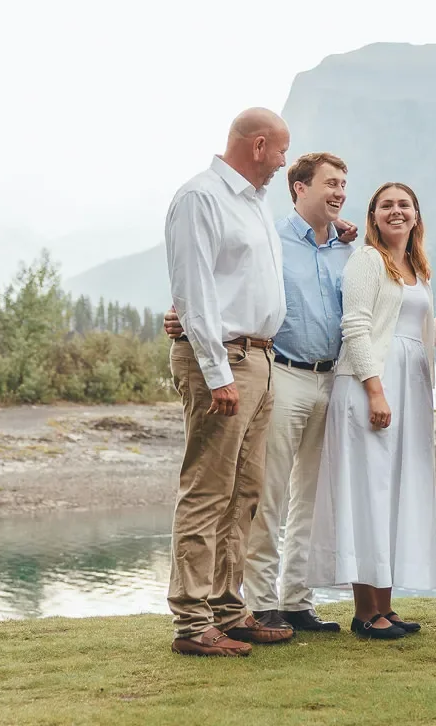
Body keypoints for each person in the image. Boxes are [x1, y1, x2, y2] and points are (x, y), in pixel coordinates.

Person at [163, 153, 356, 635]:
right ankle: (259, 601)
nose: (338, 193)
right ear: (299, 189)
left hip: (328, 377)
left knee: (303, 497)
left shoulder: (346, 247)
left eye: (343, 186)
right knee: (264, 496)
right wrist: (184, 321)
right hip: (279, 370)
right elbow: (216, 282)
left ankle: (295, 600)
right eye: (330, 184)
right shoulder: (271, 234)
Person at [163, 108, 294, 657]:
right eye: (281, 151)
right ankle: (192, 623)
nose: (284, 163)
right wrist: (217, 372)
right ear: (259, 145)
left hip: (260, 359)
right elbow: (193, 291)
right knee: (207, 491)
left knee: (245, 494)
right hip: (223, 360)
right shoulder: (201, 198)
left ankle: (225, 606)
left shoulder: (257, 205)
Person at [307, 182, 436, 639]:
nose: (397, 211)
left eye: (405, 204)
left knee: (393, 491)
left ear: (417, 215)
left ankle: (386, 605)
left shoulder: (418, 267)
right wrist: (375, 390)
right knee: (368, 492)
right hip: (371, 384)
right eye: (387, 205)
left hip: (410, 386)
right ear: (374, 216)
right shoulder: (367, 260)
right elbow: (355, 326)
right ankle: (365, 612)